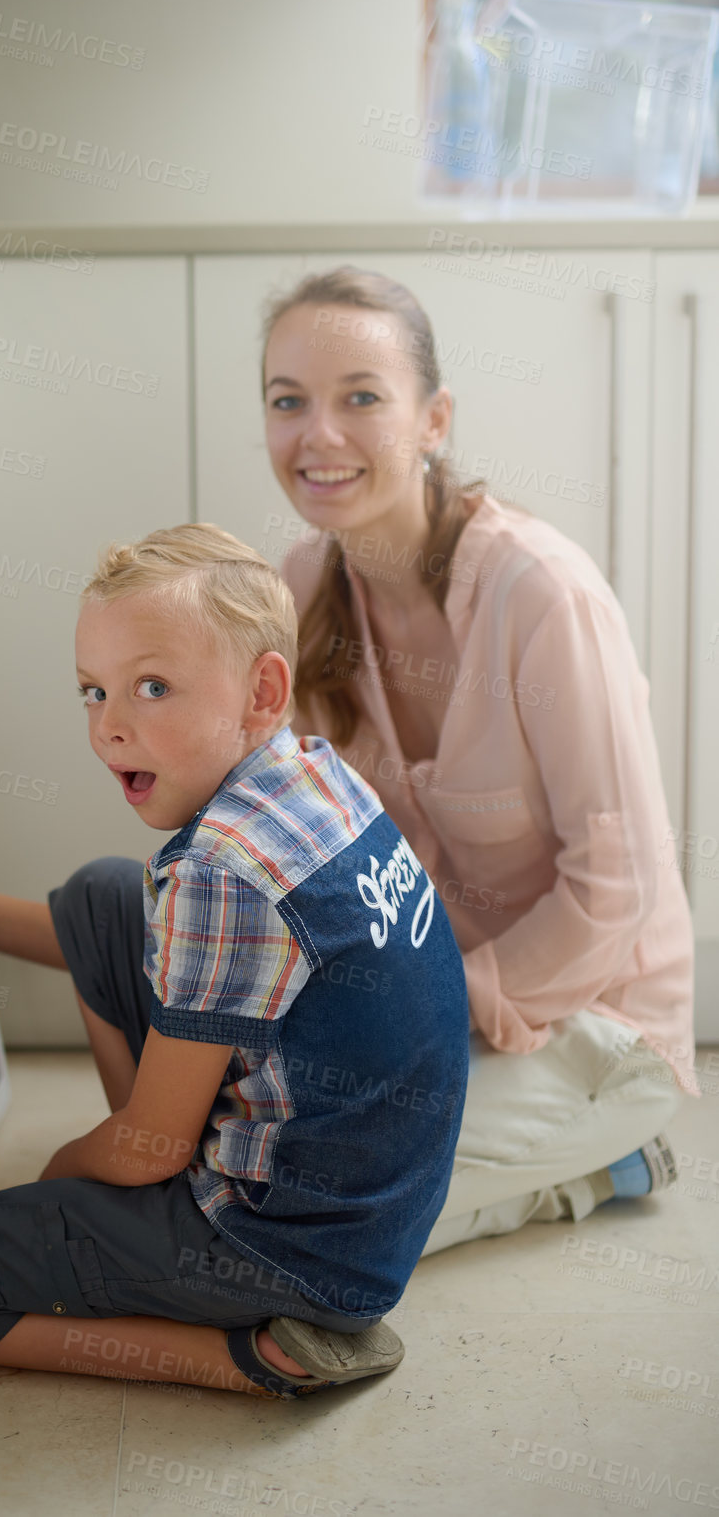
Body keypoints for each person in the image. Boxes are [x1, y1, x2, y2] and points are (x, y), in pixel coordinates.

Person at [0, 524, 470, 1398]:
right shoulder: (315, 773)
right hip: (370, 1215)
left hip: (287, 1247)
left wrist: (65, 1174)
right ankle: (149, 1195)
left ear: (261, 690)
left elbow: (150, 1144)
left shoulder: (224, 867)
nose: (109, 727)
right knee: (102, 894)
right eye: (92, 690)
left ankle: (259, 1356)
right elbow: (155, 950)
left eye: (151, 687)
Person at [262, 266, 694, 1253]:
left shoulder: (543, 596)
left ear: (433, 419)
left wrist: (430, 1023)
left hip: (596, 1019)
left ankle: (606, 1154)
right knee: (250, 1154)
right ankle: (571, 1171)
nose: (317, 436)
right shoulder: (295, 585)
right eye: (289, 402)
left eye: (360, 398)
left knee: (330, 1210)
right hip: (424, 1015)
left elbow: (616, 883)